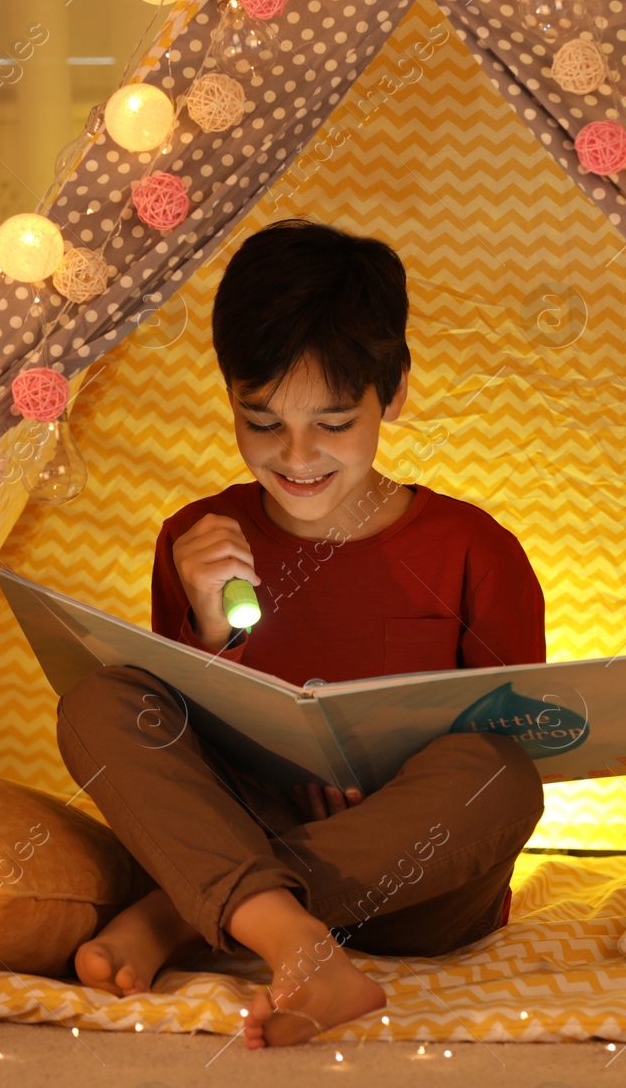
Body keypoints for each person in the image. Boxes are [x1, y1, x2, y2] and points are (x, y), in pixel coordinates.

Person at [55, 218, 547, 1049]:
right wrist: (210, 626)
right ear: (231, 401)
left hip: (418, 884)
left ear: (391, 395)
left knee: (498, 775)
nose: (297, 455)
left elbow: (508, 744)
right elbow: (176, 752)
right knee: (101, 702)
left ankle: (179, 918)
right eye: (262, 422)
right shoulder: (198, 535)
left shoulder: (475, 549)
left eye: (331, 422)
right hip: (247, 827)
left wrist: (386, 778)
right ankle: (298, 946)